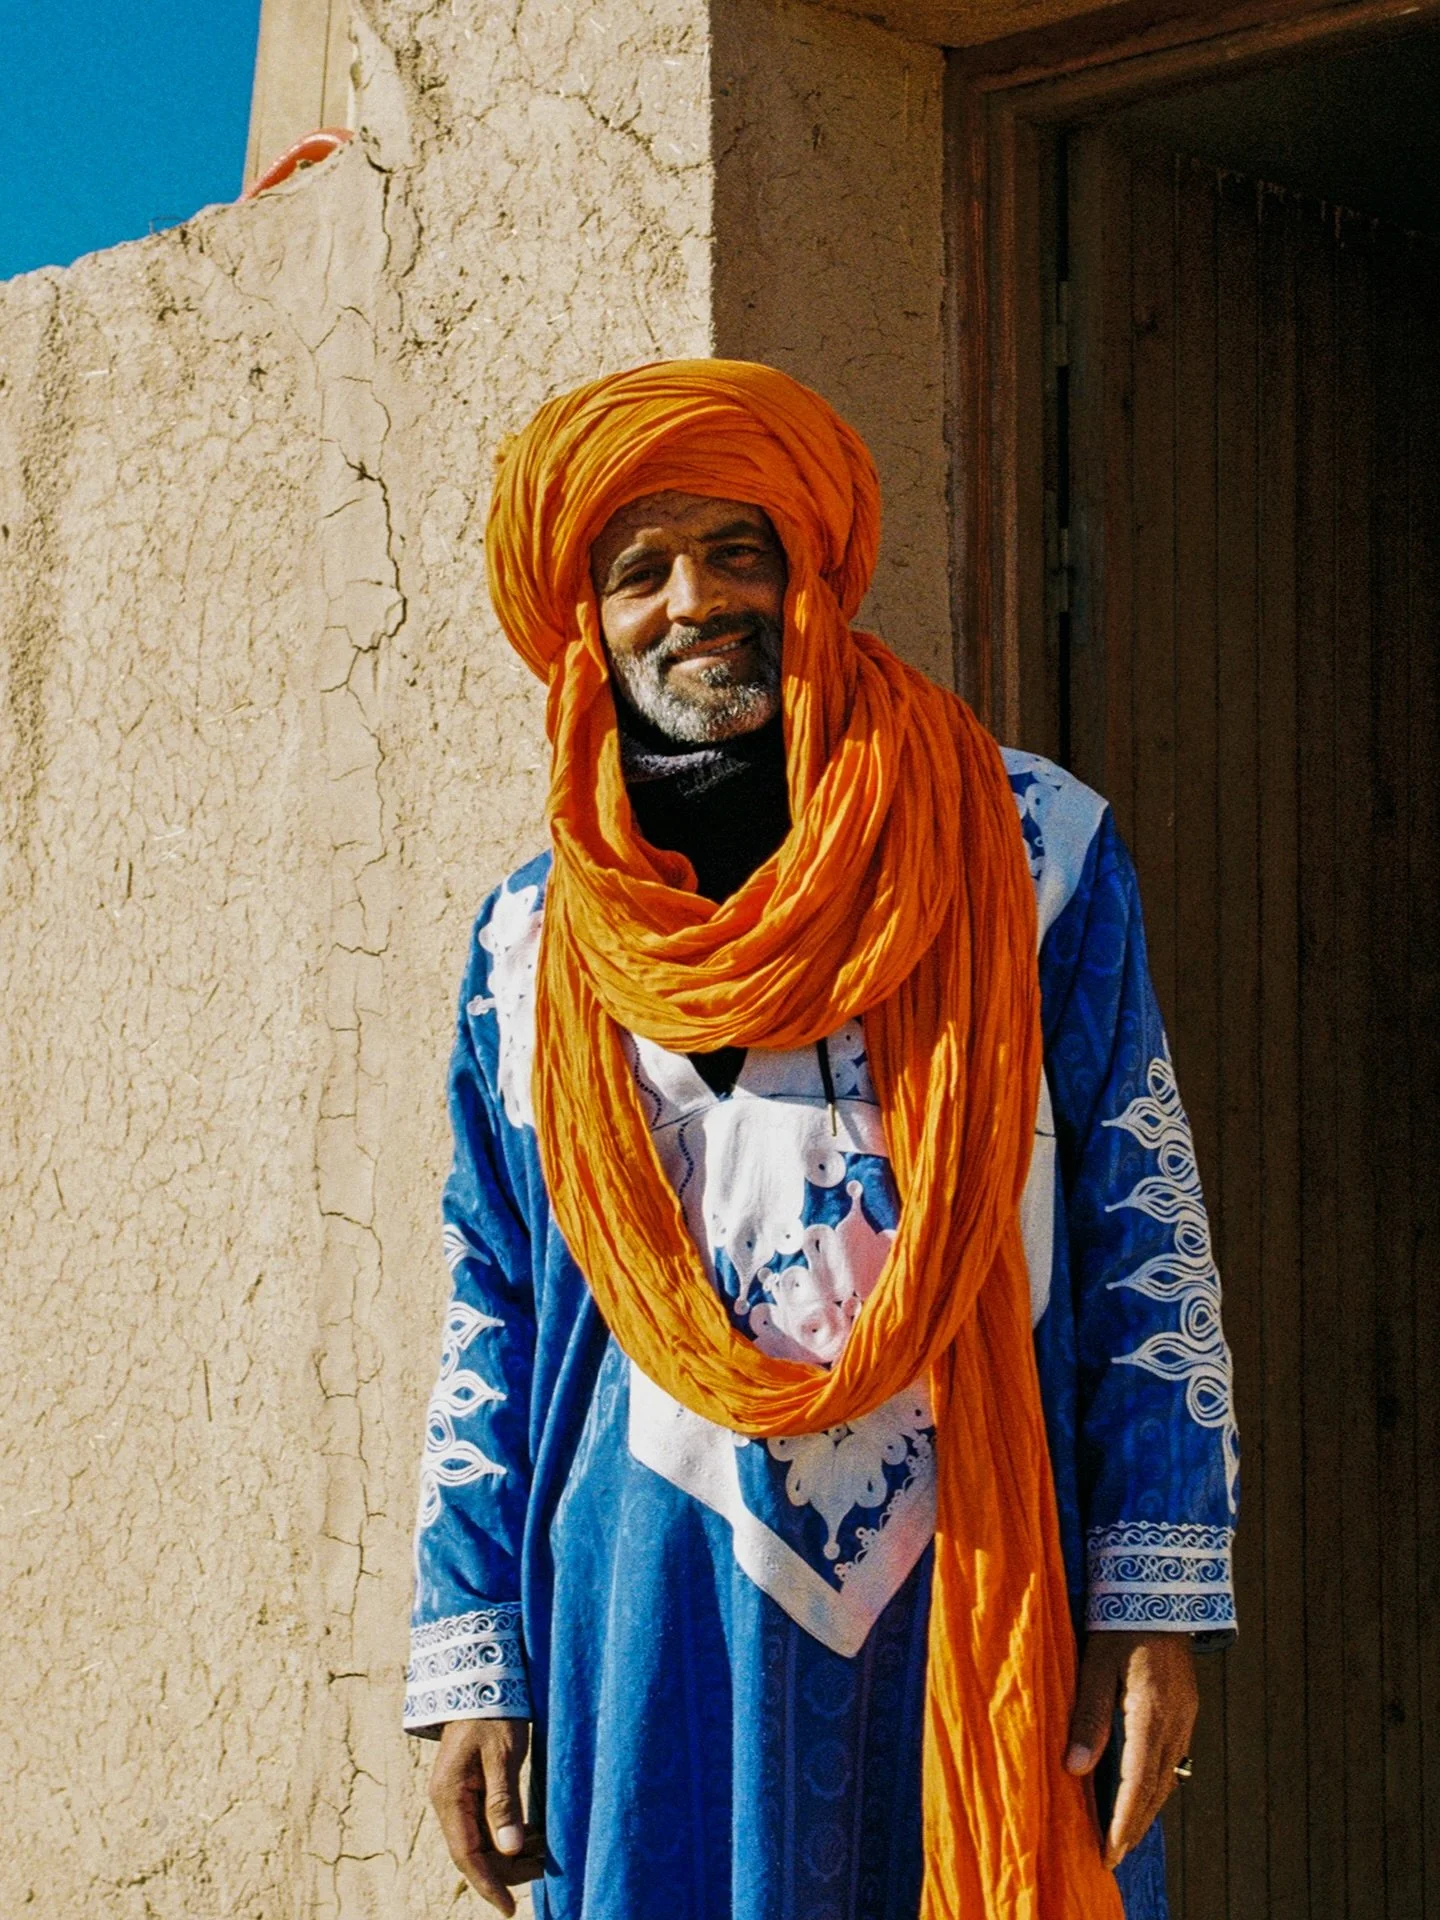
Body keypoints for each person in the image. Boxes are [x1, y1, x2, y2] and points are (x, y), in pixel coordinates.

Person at [405, 361, 1237, 1920]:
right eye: (639, 569)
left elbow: (1144, 1224)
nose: (693, 603)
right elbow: (491, 1299)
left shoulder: (1028, 847)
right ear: (581, 617)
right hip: (643, 1609)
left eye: (737, 552)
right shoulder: (530, 945)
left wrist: (1150, 1606)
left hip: (974, 1587)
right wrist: (470, 1652)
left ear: (812, 574)